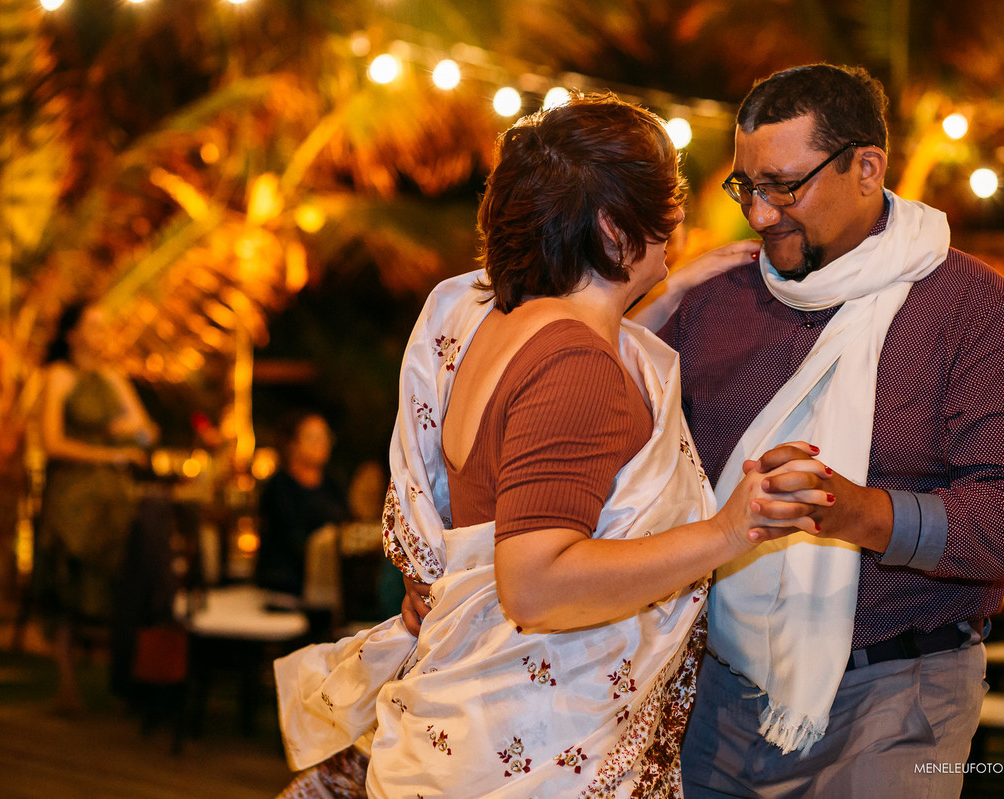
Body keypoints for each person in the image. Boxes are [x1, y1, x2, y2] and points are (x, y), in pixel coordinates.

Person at [273, 92, 833, 798]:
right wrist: (729, 528)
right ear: (610, 225)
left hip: (475, 729)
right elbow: (534, 584)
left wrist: (666, 288)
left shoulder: (487, 321)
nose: (680, 218)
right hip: (533, 751)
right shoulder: (576, 365)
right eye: (666, 199)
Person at [640, 64, 1004, 798]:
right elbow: (627, 461)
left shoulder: (974, 312)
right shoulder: (710, 302)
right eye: (746, 186)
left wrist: (864, 514)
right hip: (715, 688)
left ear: (867, 167)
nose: (761, 213)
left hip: (902, 695)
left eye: (785, 185)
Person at [35, 301, 158, 713]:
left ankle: (122, 678)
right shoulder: (58, 377)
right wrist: (107, 454)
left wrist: (131, 431)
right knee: (68, 582)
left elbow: (146, 432)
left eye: (105, 325)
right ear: (71, 333)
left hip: (113, 498)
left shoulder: (113, 378)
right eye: (93, 325)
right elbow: (51, 442)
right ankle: (67, 685)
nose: (101, 332)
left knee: (121, 581)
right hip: (72, 495)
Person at [255, 412, 349, 601]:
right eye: (312, 437)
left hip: (333, 586)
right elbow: (290, 539)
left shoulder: (333, 485)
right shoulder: (279, 487)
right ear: (292, 444)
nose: (321, 443)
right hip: (285, 586)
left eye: (325, 437)